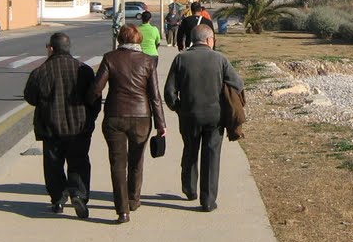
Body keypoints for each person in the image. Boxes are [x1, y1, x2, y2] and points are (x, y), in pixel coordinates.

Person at [91, 24, 167, 224]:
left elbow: (96, 88)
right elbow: (155, 96)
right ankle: (134, 199)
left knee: (117, 163)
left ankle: (122, 210)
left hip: (115, 115)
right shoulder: (147, 61)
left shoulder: (110, 58)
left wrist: (90, 108)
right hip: (142, 117)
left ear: (120, 39)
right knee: (136, 160)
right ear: (138, 39)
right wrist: (161, 123)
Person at [164, 24, 244, 212]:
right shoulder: (220, 59)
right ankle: (207, 200)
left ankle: (190, 189)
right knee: (211, 156)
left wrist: (177, 107)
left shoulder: (181, 58)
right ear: (209, 40)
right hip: (215, 117)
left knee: (190, 151)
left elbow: (169, 91)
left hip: (189, 115)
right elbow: (238, 83)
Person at [23, 32, 100, 219]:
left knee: (53, 165)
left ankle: (58, 198)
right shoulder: (84, 70)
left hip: (51, 127)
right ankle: (79, 194)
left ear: (51, 48)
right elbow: (95, 99)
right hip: (79, 127)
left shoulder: (40, 72)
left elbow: (30, 98)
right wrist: (90, 118)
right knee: (79, 162)